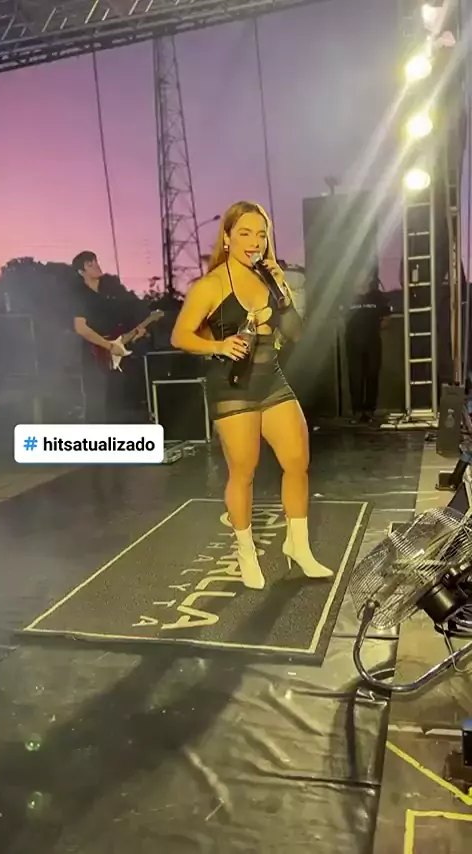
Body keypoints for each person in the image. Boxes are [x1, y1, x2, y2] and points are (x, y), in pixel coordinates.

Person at [171, 201, 333, 589]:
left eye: (261, 234)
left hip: (271, 380)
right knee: (243, 471)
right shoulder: (211, 285)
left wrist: (283, 294)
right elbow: (180, 336)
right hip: (233, 387)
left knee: (297, 461)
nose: (254, 241)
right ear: (227, 238)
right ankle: (245, 552)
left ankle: (298, 547)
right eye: (245, 233)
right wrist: (218, 346)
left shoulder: (269, 280)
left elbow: (295, 333)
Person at [71, 251, 147, 423]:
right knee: (97, 404)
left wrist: (135, 334)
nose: (96, 265)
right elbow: (80, 328)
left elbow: (119, 328)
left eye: (95, 261)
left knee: (117, 403)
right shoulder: (80, 295)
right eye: (90, 264)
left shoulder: (109, 293)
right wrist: (109, 346)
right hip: (94, 356)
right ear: (81, 271)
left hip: (116, 356)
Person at [344, 272, 391, 425]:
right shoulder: (347, 296)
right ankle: (357, 412)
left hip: (373, 343)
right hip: (353, 344)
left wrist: (374, 326)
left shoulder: (378, 297)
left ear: (370, 279)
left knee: (372, 375)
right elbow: (340, 317)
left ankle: (369, 411)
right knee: (355, 377)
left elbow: (386, 319)